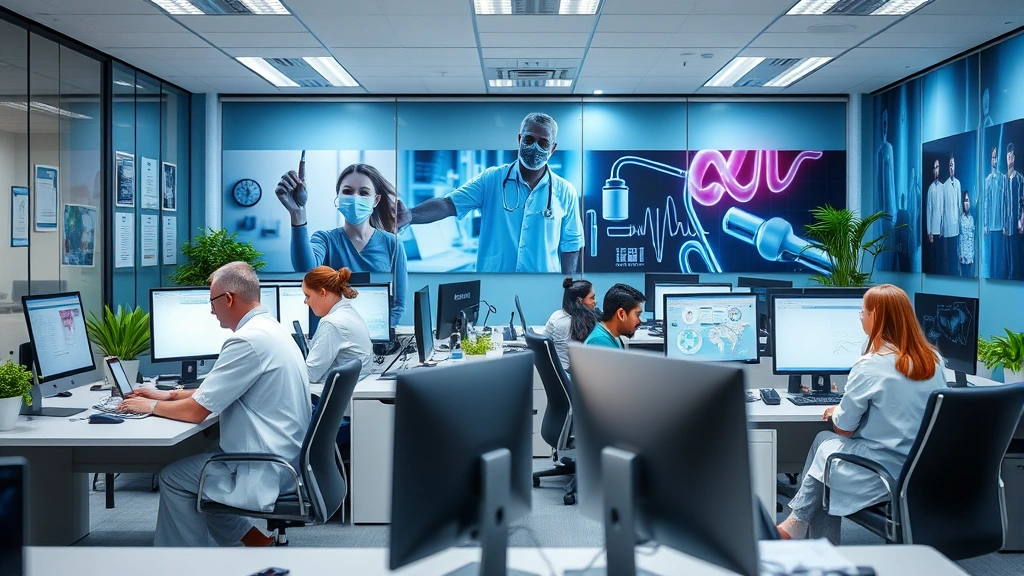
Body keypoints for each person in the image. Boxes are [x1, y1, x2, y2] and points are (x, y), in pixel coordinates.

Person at [119, 262, 310, 547]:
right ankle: (257, 543)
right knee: (200, 473)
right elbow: (215, 390)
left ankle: (186, 564)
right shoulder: (271, 330)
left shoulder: (247, 341)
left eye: (212, 302)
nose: (211, 311)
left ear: (229, 299)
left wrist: (149, 407)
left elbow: (196, 412)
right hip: (284, 459)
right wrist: (168, 396)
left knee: (174, 477)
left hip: (263, 467)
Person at [775, 284, 947, 542]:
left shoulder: (871, 366)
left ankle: (806, 532)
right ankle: (799, 526)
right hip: (923, 471)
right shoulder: (934, 360)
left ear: (876, 316)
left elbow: (844, 429)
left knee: (826, 449)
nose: (861, 318)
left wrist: (837, 409)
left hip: (882, 473)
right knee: (823, 444)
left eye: (863, 312)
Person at [403, 112, 584, 274]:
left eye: (543, 143)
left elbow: (571, 244)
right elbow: (448, 204)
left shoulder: (565, 191)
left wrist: (567, 287)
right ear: (519, 139)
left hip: (541, 286)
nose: (535, 147)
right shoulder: (491, 179)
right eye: (529, 140)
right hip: (495, 283)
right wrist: (410, 215)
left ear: (553, 148)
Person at [276, 162, 407, 326]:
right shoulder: (325, 240)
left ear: (376, 200)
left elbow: (397, 305)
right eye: (347, 191)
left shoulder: (392, 244)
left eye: (364, 192)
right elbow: (306, 269)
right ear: (338, 196)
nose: (355, 198)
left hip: (375, 334)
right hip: (332, 332)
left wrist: (379, 334)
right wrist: (298, 213)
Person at [303, 266, 373, 382]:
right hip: (352, 386)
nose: (306, 302)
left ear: (322, 293)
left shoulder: (331, 323)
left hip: (333, 389)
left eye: (307, 296)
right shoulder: (348, 312)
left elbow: (310, 374)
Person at [545, 277, 598, 370]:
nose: (595, 302)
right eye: (592, 298)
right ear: (579, 301)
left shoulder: (557, 315)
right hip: (572, 375)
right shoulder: (568, 324)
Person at [583, 283, 645, 349]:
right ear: (621, 314)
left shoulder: (612, 333)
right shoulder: (600, 342)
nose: (640, 321)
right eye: (638, 314)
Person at [984, 146, 1007, 279]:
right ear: (990, 160)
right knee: (990, 259)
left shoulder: (1002, 178)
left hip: (999, 226)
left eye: (996, 157)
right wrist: (985, 225)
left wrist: (1004, 224)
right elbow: (986, 203)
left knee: (999, 259)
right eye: (992, 157)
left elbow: (1004, 202)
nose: (994, 160)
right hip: (990, 228)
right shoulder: (987, 180)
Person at [941, 155, 961, 275]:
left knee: (956, 254)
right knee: (949, 254)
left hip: (956, 226)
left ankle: (956, 273)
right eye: (950, 165)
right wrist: (942, 228)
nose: (952, 168)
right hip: (948, 227)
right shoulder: (944, 186)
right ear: (948, 168)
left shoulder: (958, 183)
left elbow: (959, 205)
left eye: (953, 165)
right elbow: (943, 209)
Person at [1008, 143, 1024, 280]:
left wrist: (1021, 221)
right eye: (1008, 157)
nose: (1010, 159)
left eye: (1012, 156)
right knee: (1010, 259)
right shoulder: (1004, 180)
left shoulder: (1020, 179)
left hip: (1018, 226)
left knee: (1019, 258)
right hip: (1008, 227)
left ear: (1015, 157)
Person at [925, 158, 944, 274]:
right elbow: (929, 210)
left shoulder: (943, 187)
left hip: (942, 231)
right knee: (934, 259)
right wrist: (929, 232)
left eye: (938, 167)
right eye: (935, 167)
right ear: (933, 171)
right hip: (933, 230)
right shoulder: (930, 188)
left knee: (942, 257)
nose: (937, 170)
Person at [958, 190, 975, 278]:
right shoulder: (960, 219)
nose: (966, 203)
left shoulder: (972, 219)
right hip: (963, 257)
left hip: (971, 257)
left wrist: (972, 256)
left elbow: (973, 238)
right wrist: (961, 254)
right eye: (965, 201)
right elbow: (960, 239)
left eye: (968, 200)